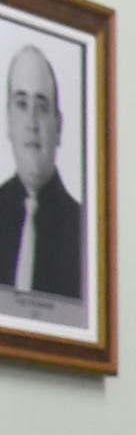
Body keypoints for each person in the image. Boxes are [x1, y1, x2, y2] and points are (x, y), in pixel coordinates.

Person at [5, 44, 84, 302]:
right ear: (8, 120)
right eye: (21, 104)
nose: (31, 122)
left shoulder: (84, 232)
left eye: (42, 106)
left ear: (58, 127)